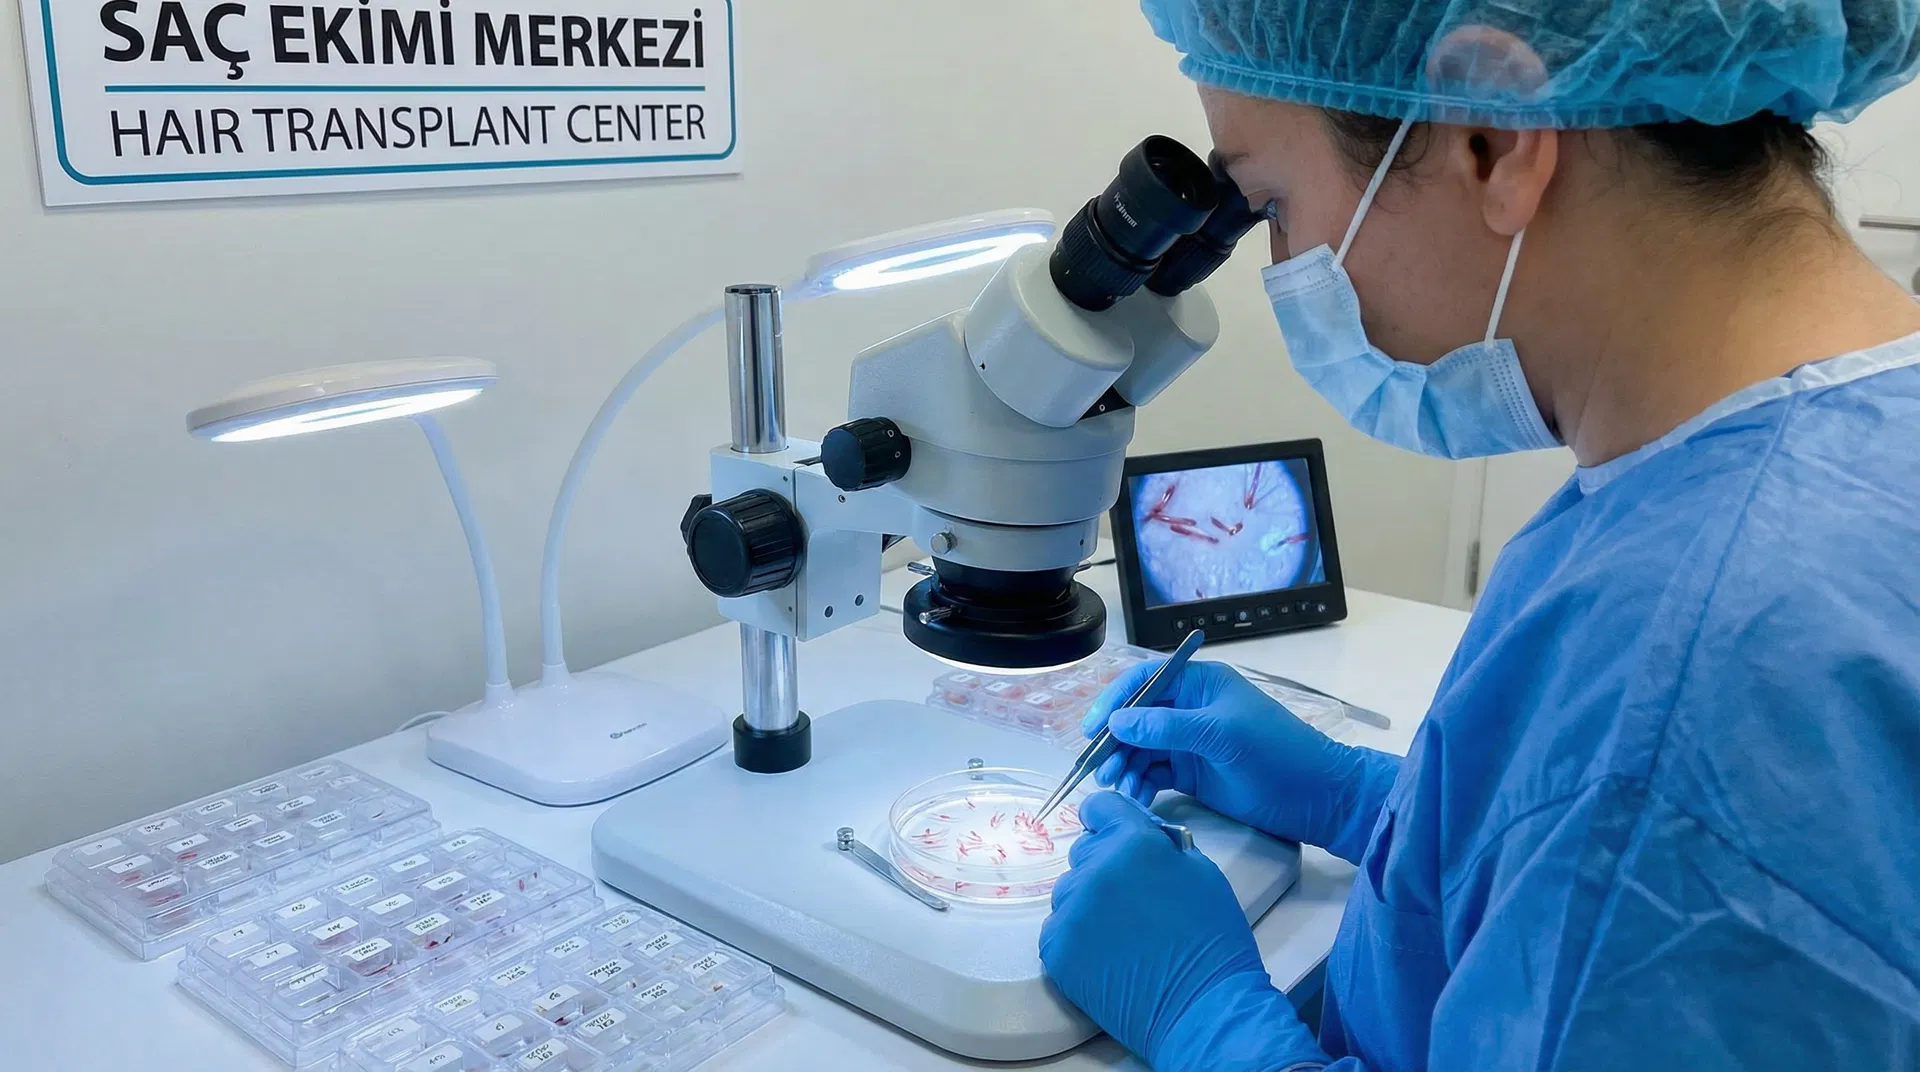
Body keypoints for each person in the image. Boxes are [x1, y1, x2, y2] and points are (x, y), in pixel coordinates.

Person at [1038, 2, 1920, 1069]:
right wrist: (1367, 802)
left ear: (1491, 141)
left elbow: (1639, 857)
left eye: (1270, 203)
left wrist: (1205, 1016)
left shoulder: (1703, 673)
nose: (1280, 259)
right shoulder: (1771, 448)